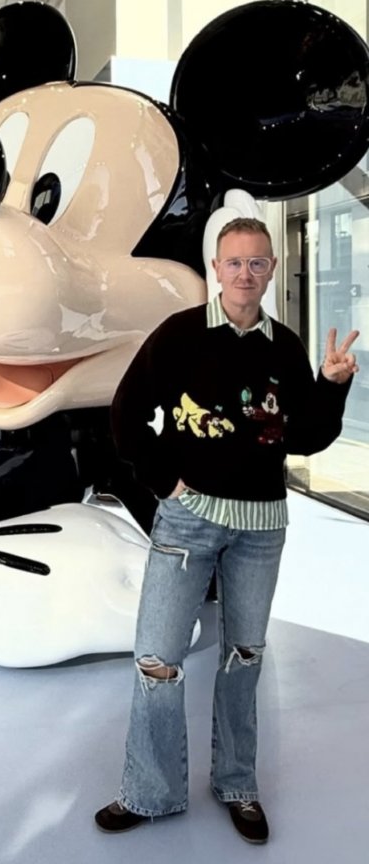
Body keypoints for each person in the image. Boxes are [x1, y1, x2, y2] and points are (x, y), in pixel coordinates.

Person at [94, 217, 358, 843]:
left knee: (244, 659)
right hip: (187, 522)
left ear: (271, 270)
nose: (245, 274)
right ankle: (151, 791)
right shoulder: (180, 334)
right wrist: (166, 481)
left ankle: (237, 783)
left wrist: (331, 386)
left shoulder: (284, 346)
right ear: (216, 269)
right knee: (157, 659)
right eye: (234, 262)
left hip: (260, 530)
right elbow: (127, 412)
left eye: (257, 263)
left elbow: (305, 435)